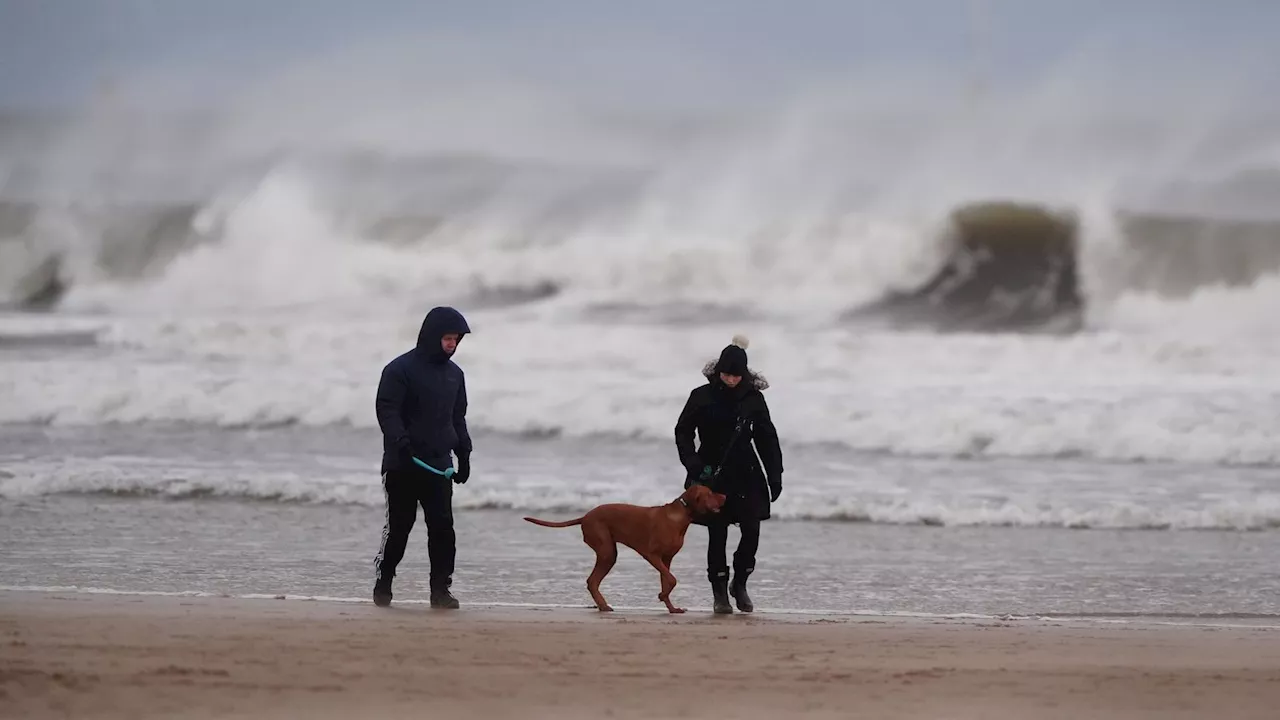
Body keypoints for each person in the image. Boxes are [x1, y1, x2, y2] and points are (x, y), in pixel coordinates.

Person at [372, 306, 473, 609]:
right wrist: (399, 440)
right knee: (399, 528)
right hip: (403, 464)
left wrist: (464, 454)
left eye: (456, 339)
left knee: (443, 529)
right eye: (447, 338)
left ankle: (440, 590)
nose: (452, 344)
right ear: (432, 337)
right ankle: (384, 579)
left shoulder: (456, 376)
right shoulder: (399, 370)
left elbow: (458, 418)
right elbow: (387, 409)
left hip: (439, 465)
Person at [674, 334, 783, 614]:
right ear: (717, 371)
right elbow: (683, 431)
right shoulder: (701, 396)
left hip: (747, 473)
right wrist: (693, 464)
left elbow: (766, 438)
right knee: (717, 533)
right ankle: (720, 593)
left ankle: (741, 583)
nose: (730, 380)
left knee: (752, 531)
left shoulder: (753, 399)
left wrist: (775, 475)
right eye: (726, 374)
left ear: (744, 374)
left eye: (736, 376)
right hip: (711, 473)